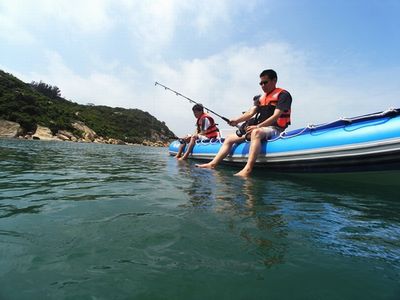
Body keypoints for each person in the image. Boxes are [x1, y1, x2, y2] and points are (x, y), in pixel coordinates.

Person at [196, 69, 292, 176]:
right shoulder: (260, 98)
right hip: (259, 127)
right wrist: (236, 120)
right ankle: (212, 164)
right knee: (229, 139)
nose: (262, 85)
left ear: (274, 80)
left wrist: (257, 126)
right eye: (261, 83)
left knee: (256, 132)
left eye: (265, 82)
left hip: (275, 128)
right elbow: (250, 113)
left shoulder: (283, 95)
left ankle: (247, 169)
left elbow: (276, 116)